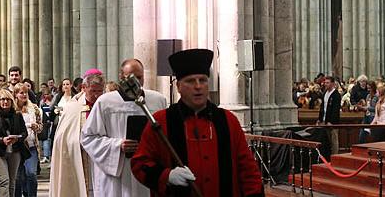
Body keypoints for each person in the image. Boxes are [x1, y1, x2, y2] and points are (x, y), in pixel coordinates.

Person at [131, 49, 263, 196]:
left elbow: (248, 168)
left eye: (203, 80)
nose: (198, 86)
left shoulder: (228, 120)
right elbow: (140, 163)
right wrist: (166, 176)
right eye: (190, 81)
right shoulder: (161, 121)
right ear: (178, 86)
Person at [81, 59, 167, 197]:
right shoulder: (105, 102)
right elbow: (88, 137)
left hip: (147, 170)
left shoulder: (158, 100)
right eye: (131, 77)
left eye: (139, 77)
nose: (136, 82)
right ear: (121, 77)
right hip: (117, 176)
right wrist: (118, 145)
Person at [49, 72, 106, 197]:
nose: (97, 95)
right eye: (93, 91)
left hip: (104, 159)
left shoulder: (107, 105)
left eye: (100, 91)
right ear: (84, 87)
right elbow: (62, 138)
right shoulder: (72, 108)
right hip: (80, 157)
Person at [0, 89, 29, 197]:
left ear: (12, 101)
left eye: (8, 99)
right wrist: (2, 140)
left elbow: (24, 133)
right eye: (3, 99)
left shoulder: (17, 115)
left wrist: (17, 138)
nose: (5, 102)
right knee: (4, 180)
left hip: (14, 151)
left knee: (12, 181)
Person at [13, 83, 43, 197]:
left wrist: (37, 127)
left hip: (31, 145)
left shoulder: (34, 108)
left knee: (31, 173)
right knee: (18, 177)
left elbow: (41, 127)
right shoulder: (13, 109)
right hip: (18, 146)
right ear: (16, 94)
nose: (24, 95)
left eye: (26, 92)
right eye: (21, 93)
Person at [317, 76, 341, 154]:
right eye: (325, 83)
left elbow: (335, 110)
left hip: (332, 122)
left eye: (328, 83)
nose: (325, 84)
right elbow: (322, 108)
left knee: (334, 140)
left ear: (333, 84)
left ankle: (335, 156)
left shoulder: (336, 95)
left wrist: (331, 121)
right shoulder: (325, 93)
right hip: (324, 121)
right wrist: (320, 119)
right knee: (325, 140)